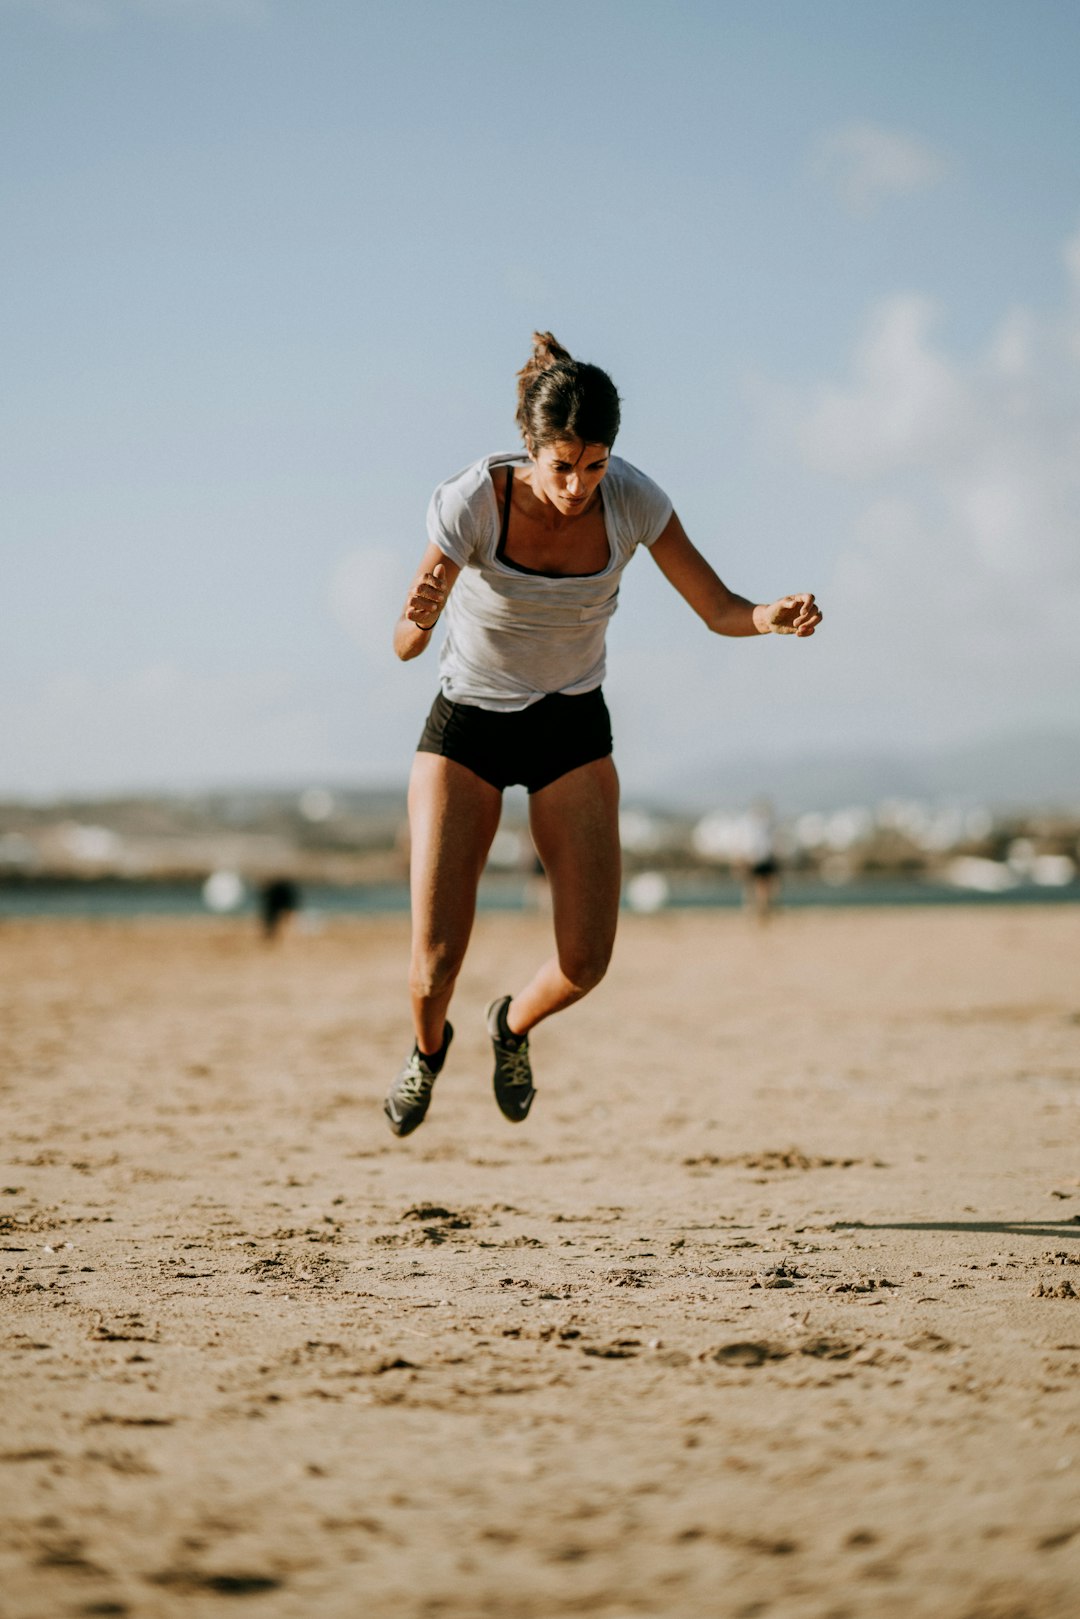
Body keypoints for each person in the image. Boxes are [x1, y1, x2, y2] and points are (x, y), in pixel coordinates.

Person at [383, 332, 822, 1137]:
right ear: (532, 447)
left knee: (587, 961)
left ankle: (509, 1026)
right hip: (468, 724)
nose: (580, 485)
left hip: (570, 724)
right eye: (563, 466)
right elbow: (406, 645)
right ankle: (427, 1050)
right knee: (434, 961)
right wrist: (418, 617)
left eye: (594, 465)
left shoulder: (634, 500)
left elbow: (720, 607)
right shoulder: (473, 500)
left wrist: (770, 618)